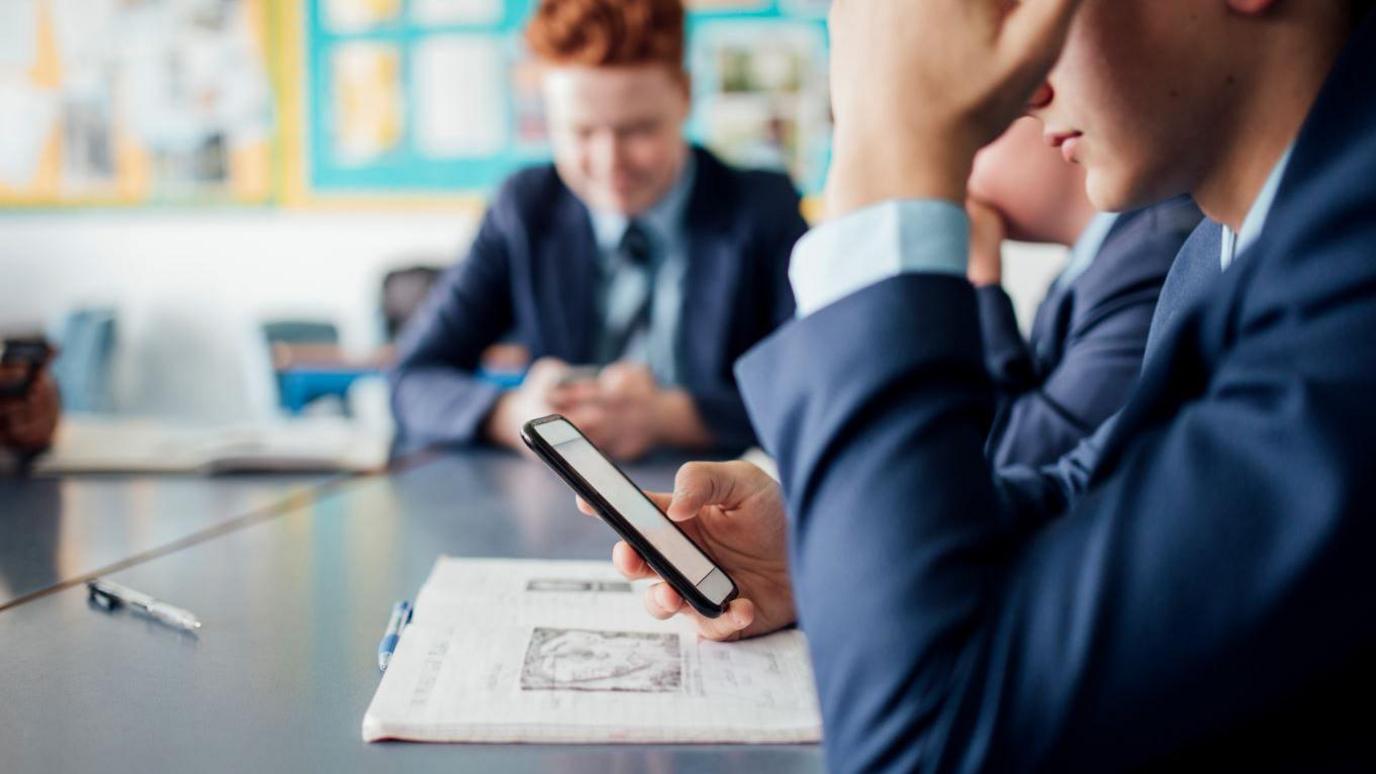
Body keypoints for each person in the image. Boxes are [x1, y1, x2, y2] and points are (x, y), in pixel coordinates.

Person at [593, 0, 1376, 769]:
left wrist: (892, 147)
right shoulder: (1225, 248)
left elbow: (927, 744)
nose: (1026, 89)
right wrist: (822, 544)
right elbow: (1092, 497)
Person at [389, 0, 806, 460]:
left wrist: (670, 417)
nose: (611, 164)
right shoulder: (526, 207)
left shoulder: (763, 209)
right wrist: (518, 418)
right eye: (582, 132)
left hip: (720, 509)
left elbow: (814, 394)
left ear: (686, 95)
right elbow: (413, 379)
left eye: (639, 130)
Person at [967, 116, 1200, 468]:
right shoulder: (1078, 278)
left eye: (971, 135)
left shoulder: (1154, 256)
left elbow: (1009, 463)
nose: (955, 180)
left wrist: (979, 282)